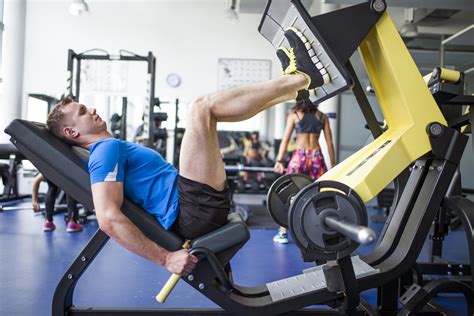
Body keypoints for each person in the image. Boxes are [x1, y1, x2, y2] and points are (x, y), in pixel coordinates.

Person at [45, 27, 323, 276]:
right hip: (191, 208)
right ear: (72, 132)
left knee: (207, 112)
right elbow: (107, 219)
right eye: (82, 111)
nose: (91, 109)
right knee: (200, 108)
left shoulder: (109, 147)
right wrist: (165, 259)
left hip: (192, 202)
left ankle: (297, 88)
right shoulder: (104, 151)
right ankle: (299, 80)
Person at [272, 98, 336, 244]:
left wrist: (280, 160)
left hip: (299, 157)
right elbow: (329, 144)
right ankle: (318, 230)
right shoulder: (322, 116)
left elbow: (285, 140)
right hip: (315, 157)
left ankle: (283, 233)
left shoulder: (295, 115)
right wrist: (333, 166)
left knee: (287, 193)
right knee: (320, 193)